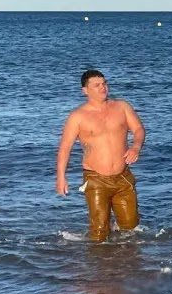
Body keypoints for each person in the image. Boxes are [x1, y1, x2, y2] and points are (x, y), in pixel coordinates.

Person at [56, 69, 145, 242]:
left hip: (123, 177)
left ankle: (128, 263)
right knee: (99, 232)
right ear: (85, 90)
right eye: (97, 85)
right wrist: (61, 177)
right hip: (96, 178)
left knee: (131, 228)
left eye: (104, 83)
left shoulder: (122, 107)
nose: (103, 87)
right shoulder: (77, 116)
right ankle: (99, 265)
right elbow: (65, 148)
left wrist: (136, 146)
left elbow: (138, 129)